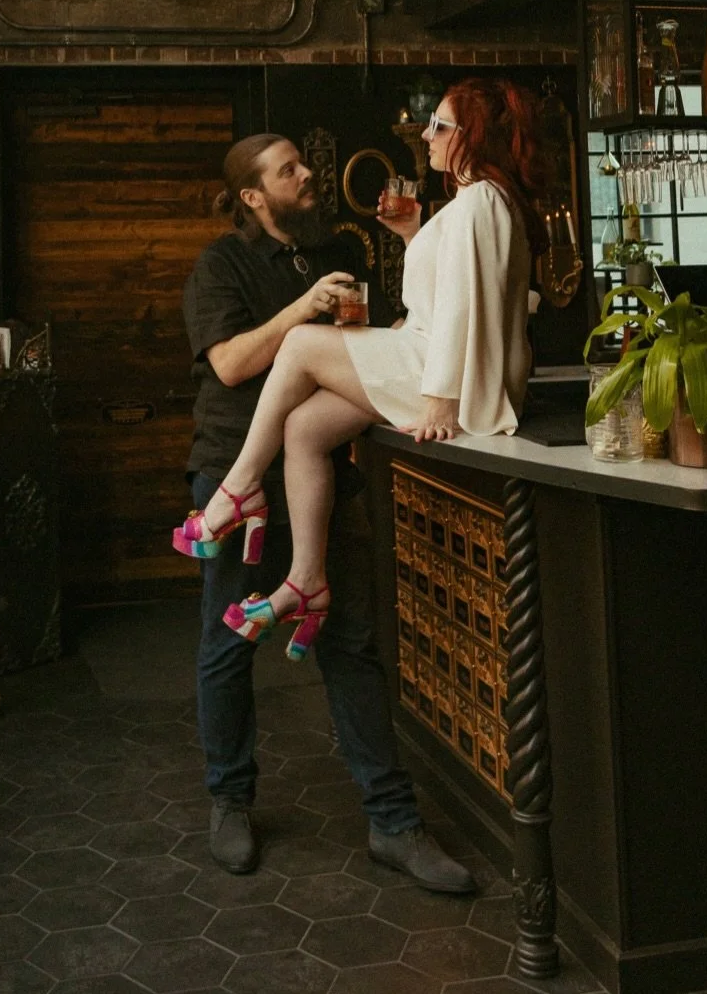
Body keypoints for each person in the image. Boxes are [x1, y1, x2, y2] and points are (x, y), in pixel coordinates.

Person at [178, 131, 476, 891]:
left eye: (304, 165)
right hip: (234, 470)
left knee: (349, 637)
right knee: (228, 641)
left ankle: (394, 823)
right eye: (290, 170)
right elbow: (231, 363)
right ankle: (231, 802)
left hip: (321, 469)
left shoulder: (337, 247)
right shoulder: (222, 264)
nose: (308, 175)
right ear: (253, 195)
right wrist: (301, 314)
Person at [179, 76, 546, 673]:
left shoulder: (479, 199)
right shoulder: (476, 201)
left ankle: (238, 490)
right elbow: (453, 294)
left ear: (471, 138)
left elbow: (459, 306)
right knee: (305, 428)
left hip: (436, 368)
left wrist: (439, 399)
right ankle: (306, 580)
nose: (427, 134)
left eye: (441, 126)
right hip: (428, 354)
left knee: (299, 343)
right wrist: (412, 235)